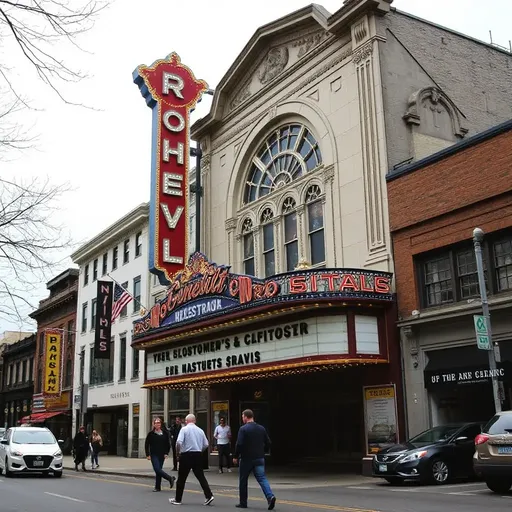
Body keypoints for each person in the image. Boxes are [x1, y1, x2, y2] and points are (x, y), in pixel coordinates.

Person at [233, 409, 276, 510]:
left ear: (246, 417)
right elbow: (268, 442)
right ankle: (270, 496)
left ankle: (243, 502)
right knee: (262, 478)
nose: (242, 418)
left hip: (246, 458)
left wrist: (235, 456)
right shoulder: (261, 428)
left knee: (243, 480)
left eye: (243, 416)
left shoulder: (243, 429)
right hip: (259, 457)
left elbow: (239, 444)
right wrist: (262, 450)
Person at [169, 414, 214, 506]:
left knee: (181, 478)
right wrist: (199, 450)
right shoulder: (200, 430)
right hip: (197, 454)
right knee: (200, 476)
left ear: (186, 421)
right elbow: (206, 444)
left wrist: (178, 454)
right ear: (195, 421)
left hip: (186, 455)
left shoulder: (184, 429)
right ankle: (209, 495)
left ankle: (178, 499)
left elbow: (179, 442)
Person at [145, 417, 176, 492]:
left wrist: (166, 453)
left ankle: (157, 487)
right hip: (154, 454)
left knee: (159, 471)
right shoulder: (151, 434)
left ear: (161, 424)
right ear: (154, 424)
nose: (157, 424)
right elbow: (147, 444)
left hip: (162, 454)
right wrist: (148, 454)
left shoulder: (164, 433)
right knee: (157, 469)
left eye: (159, 423)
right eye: (156, 423)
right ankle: (170, 478)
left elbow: (168, 444)